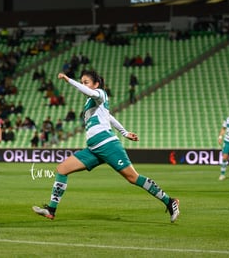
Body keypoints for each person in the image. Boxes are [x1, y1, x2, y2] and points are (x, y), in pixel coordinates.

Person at [32, 71, 180, 223]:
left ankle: (170, 202)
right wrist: (124, 132)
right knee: (62, 169)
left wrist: (69, 80)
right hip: (93, 149)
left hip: (108, 145)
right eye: (81, 82)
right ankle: (51, 210)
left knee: (133, 178)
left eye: (86, 82)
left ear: (96, 84)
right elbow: (108, 116)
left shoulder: (100, 94)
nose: (84, 85)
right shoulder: (91, 102)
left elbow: (91, 94)